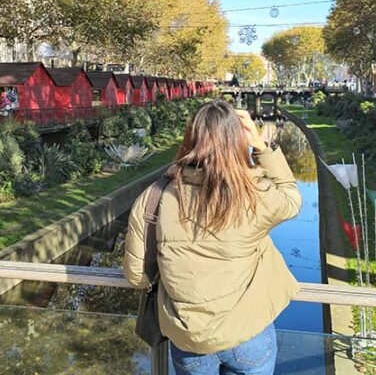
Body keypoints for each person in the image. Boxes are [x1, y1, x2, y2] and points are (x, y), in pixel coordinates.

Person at [123, 100, 301, 375]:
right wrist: (262, 147)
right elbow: (291, 198)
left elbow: (137, 276)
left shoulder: (154, 199)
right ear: (239, 141)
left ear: (190, 139)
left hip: (190, 340)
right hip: (249, 335)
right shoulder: (254, 196)